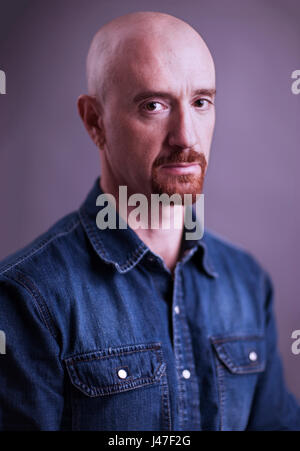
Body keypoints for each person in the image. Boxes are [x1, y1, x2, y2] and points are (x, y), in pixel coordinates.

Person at [0, 11, 299, 431]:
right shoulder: (27, 299)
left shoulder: (248, 282)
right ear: (95, 121)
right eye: (154, 105)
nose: (186, 137)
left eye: (200, 102)